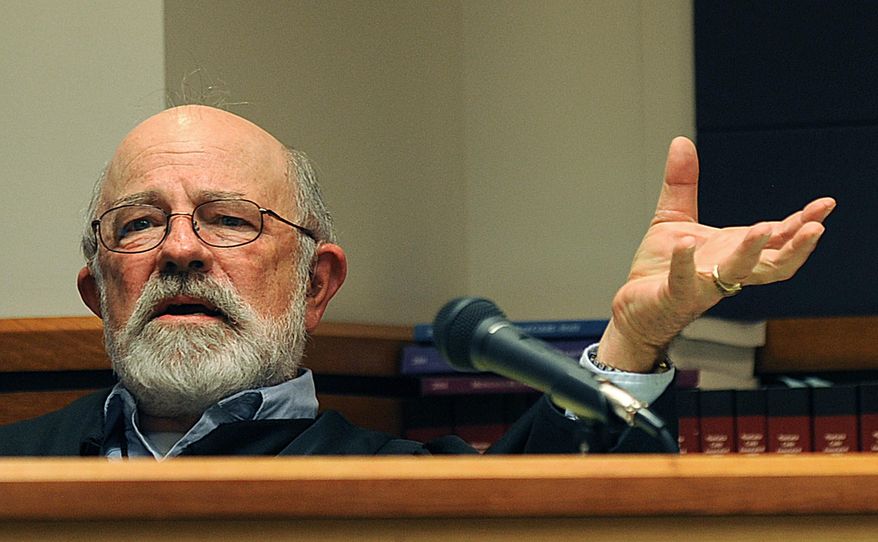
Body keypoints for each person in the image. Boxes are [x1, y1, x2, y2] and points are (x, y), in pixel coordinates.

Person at [0, 105, 835, 457]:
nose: (180, 249)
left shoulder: (402, 489)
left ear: (316, 284)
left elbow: (542, 507)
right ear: (98, 292)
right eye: (139, 224)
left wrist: (638, 336)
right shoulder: (15, 471)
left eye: (227, 218)